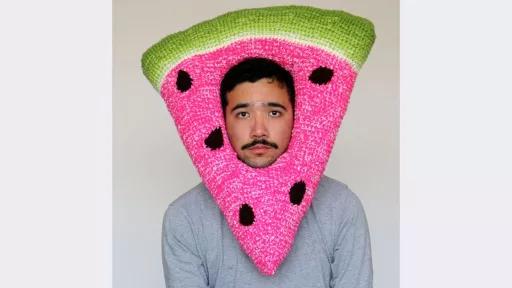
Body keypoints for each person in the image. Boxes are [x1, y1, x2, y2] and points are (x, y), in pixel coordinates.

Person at [161, 57, 373, 287]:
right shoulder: (184, 217)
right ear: (222, 122)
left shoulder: (340, 205)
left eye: (274, 113)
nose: (258, 131)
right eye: (243, 114)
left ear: (296, 117)